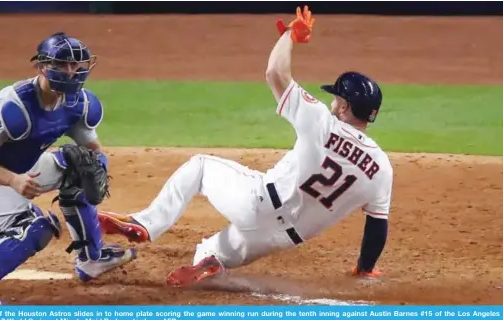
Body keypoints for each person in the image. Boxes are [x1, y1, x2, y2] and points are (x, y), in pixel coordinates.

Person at [98, 6, 392, 287]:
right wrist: (365, 267)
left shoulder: (322, 122)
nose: (332, 102)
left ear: (344, 106)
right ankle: (211, 263)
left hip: (257, 202)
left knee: (200, 167)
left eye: (336, 98)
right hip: (281, 239)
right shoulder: (381, 168)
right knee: (208, 252)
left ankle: (147, 223)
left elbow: (275, 74)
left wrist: (290, 34)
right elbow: (377, 227)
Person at [0, 32, 136, 305]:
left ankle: (91, 259)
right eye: (62, 64)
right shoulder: (15, 105)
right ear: (43, 66)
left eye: (76, 65)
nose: (71, 72)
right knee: (35, 227)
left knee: (80, 168)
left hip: (25, 167)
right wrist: (12, 181)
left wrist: (99, 169)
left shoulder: (79, 103)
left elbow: (93, 152)